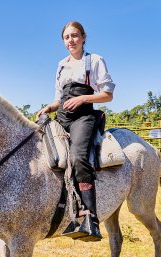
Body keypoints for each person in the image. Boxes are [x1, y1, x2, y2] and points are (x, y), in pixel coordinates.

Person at [37, 21, 115, 241]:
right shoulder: (61, 65)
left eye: (74, 36)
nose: (70, 40)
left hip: (83, 117)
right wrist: (48, 107)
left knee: (78, 157)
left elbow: (108, 94)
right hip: (62, 116)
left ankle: (91, 218)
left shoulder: (95, 60)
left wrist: (82, 98)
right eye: (66, 37)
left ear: (83, 37)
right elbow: (58, 99)